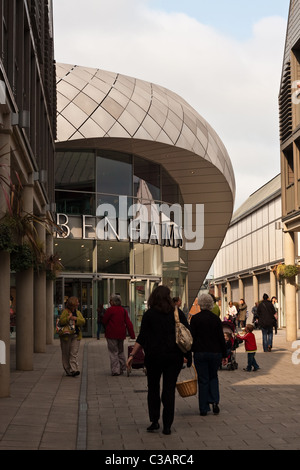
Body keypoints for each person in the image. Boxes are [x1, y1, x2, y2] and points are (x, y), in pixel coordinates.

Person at [126, 285, 191, 435]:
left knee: (153, 389)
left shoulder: (149, 315)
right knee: (169, 390)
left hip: (154, 358)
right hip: (173, 358)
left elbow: (141, 337)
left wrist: (132, 355)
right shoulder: (177, 313)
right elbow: (187, 333)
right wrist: (188, 355)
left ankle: (154, 421)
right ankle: (167, 425)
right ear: (169, 297)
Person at [190, 294, 228, 416]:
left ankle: (203, 408)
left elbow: (191, 338)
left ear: (200, 304)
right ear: (211, 304)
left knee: (203, 379)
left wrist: (188, 352)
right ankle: (215, 401)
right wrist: (224, 354)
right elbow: (221, 338)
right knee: (213, 377)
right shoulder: (216, 319)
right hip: (215, 352)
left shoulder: (195, 319)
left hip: (200, 352)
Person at [102, 294, 135, 376]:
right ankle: (123, 367)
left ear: (113, 302)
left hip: (111, 334)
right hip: (121, 334)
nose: (109, 302)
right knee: (120, 351)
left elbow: (104, 320)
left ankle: (115, 370)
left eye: (110, 300)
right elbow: (128, 323)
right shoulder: (123, 311)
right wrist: (132, 334)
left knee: (113, 352)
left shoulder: (110, 310)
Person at [59, 296, 86, 377]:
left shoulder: (77, 312)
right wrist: (68, 318)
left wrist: (75, 319)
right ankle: (68, 370)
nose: (78, 303)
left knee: (73, 353)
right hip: (66, 336)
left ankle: (74, 369)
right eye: (77, 302)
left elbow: (83, 321)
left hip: (76, 335)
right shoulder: (65, 312)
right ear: (73, 303)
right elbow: (61, 321)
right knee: (66, 353)